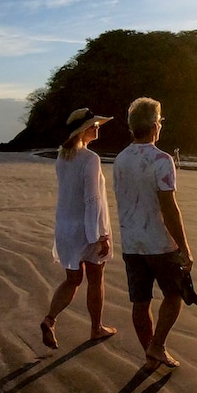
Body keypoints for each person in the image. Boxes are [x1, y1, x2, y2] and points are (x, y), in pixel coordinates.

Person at [113, 97, 197, 369]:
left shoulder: (120, 159)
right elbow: (169, 208)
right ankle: (157, 345)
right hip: (160, 243)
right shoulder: (161, 160)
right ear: (153, 126)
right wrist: (184, 246)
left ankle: (150, 353)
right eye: (160, 121)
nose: (160, 125)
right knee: (174, 296)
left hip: (131, 242)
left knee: (141, 300)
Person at [40, 108, 118, 349]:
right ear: (82, 130)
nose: (97, 128)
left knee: (72, 280)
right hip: (86, 228)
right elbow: (92, 199)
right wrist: (102, 233)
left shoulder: (63, 156)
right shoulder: (90, 158)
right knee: (96, 278)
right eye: (93, 125)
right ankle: (96, 328)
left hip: (65, 227)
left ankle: (50, 319)